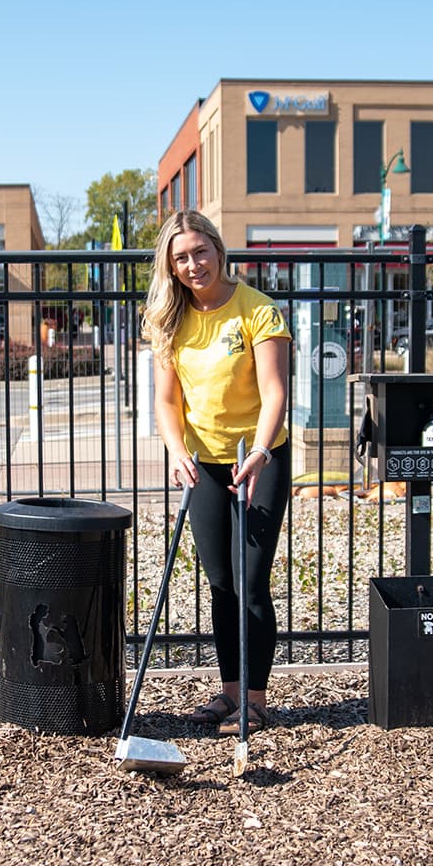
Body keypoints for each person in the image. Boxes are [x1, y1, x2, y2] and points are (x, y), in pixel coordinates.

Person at [142, 210, 291, 735]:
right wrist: (175, 447)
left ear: (218, 250)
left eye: (199, 252)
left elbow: (275, 392)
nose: (192, 264)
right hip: (202, 464)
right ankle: (229, 694)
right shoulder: (171, 321)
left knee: (250, 580)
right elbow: (165, 401)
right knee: (221, 583)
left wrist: (263, 450)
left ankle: (255, 698)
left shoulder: (259, 311)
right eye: (180, 257)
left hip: (258, 456)